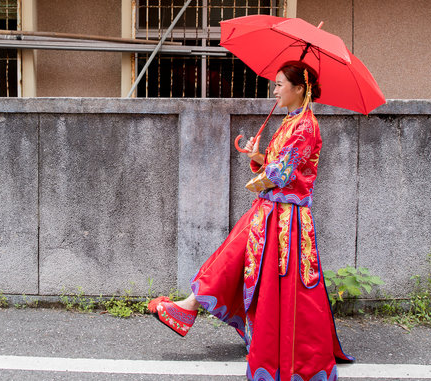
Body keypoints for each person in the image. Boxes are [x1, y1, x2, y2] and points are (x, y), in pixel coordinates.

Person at [148, 60, 354, 381]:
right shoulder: (289, 122)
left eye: (280, 84)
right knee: (231, 258)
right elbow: (276, 165)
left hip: (287, 219)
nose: (275, 90)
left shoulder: (306, 126)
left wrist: (261, 171)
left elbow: (282, 174)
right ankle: (189, 306)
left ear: (299, 88)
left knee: (274, 282)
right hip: (268, 210)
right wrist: (257, 156)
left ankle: (200, 312)